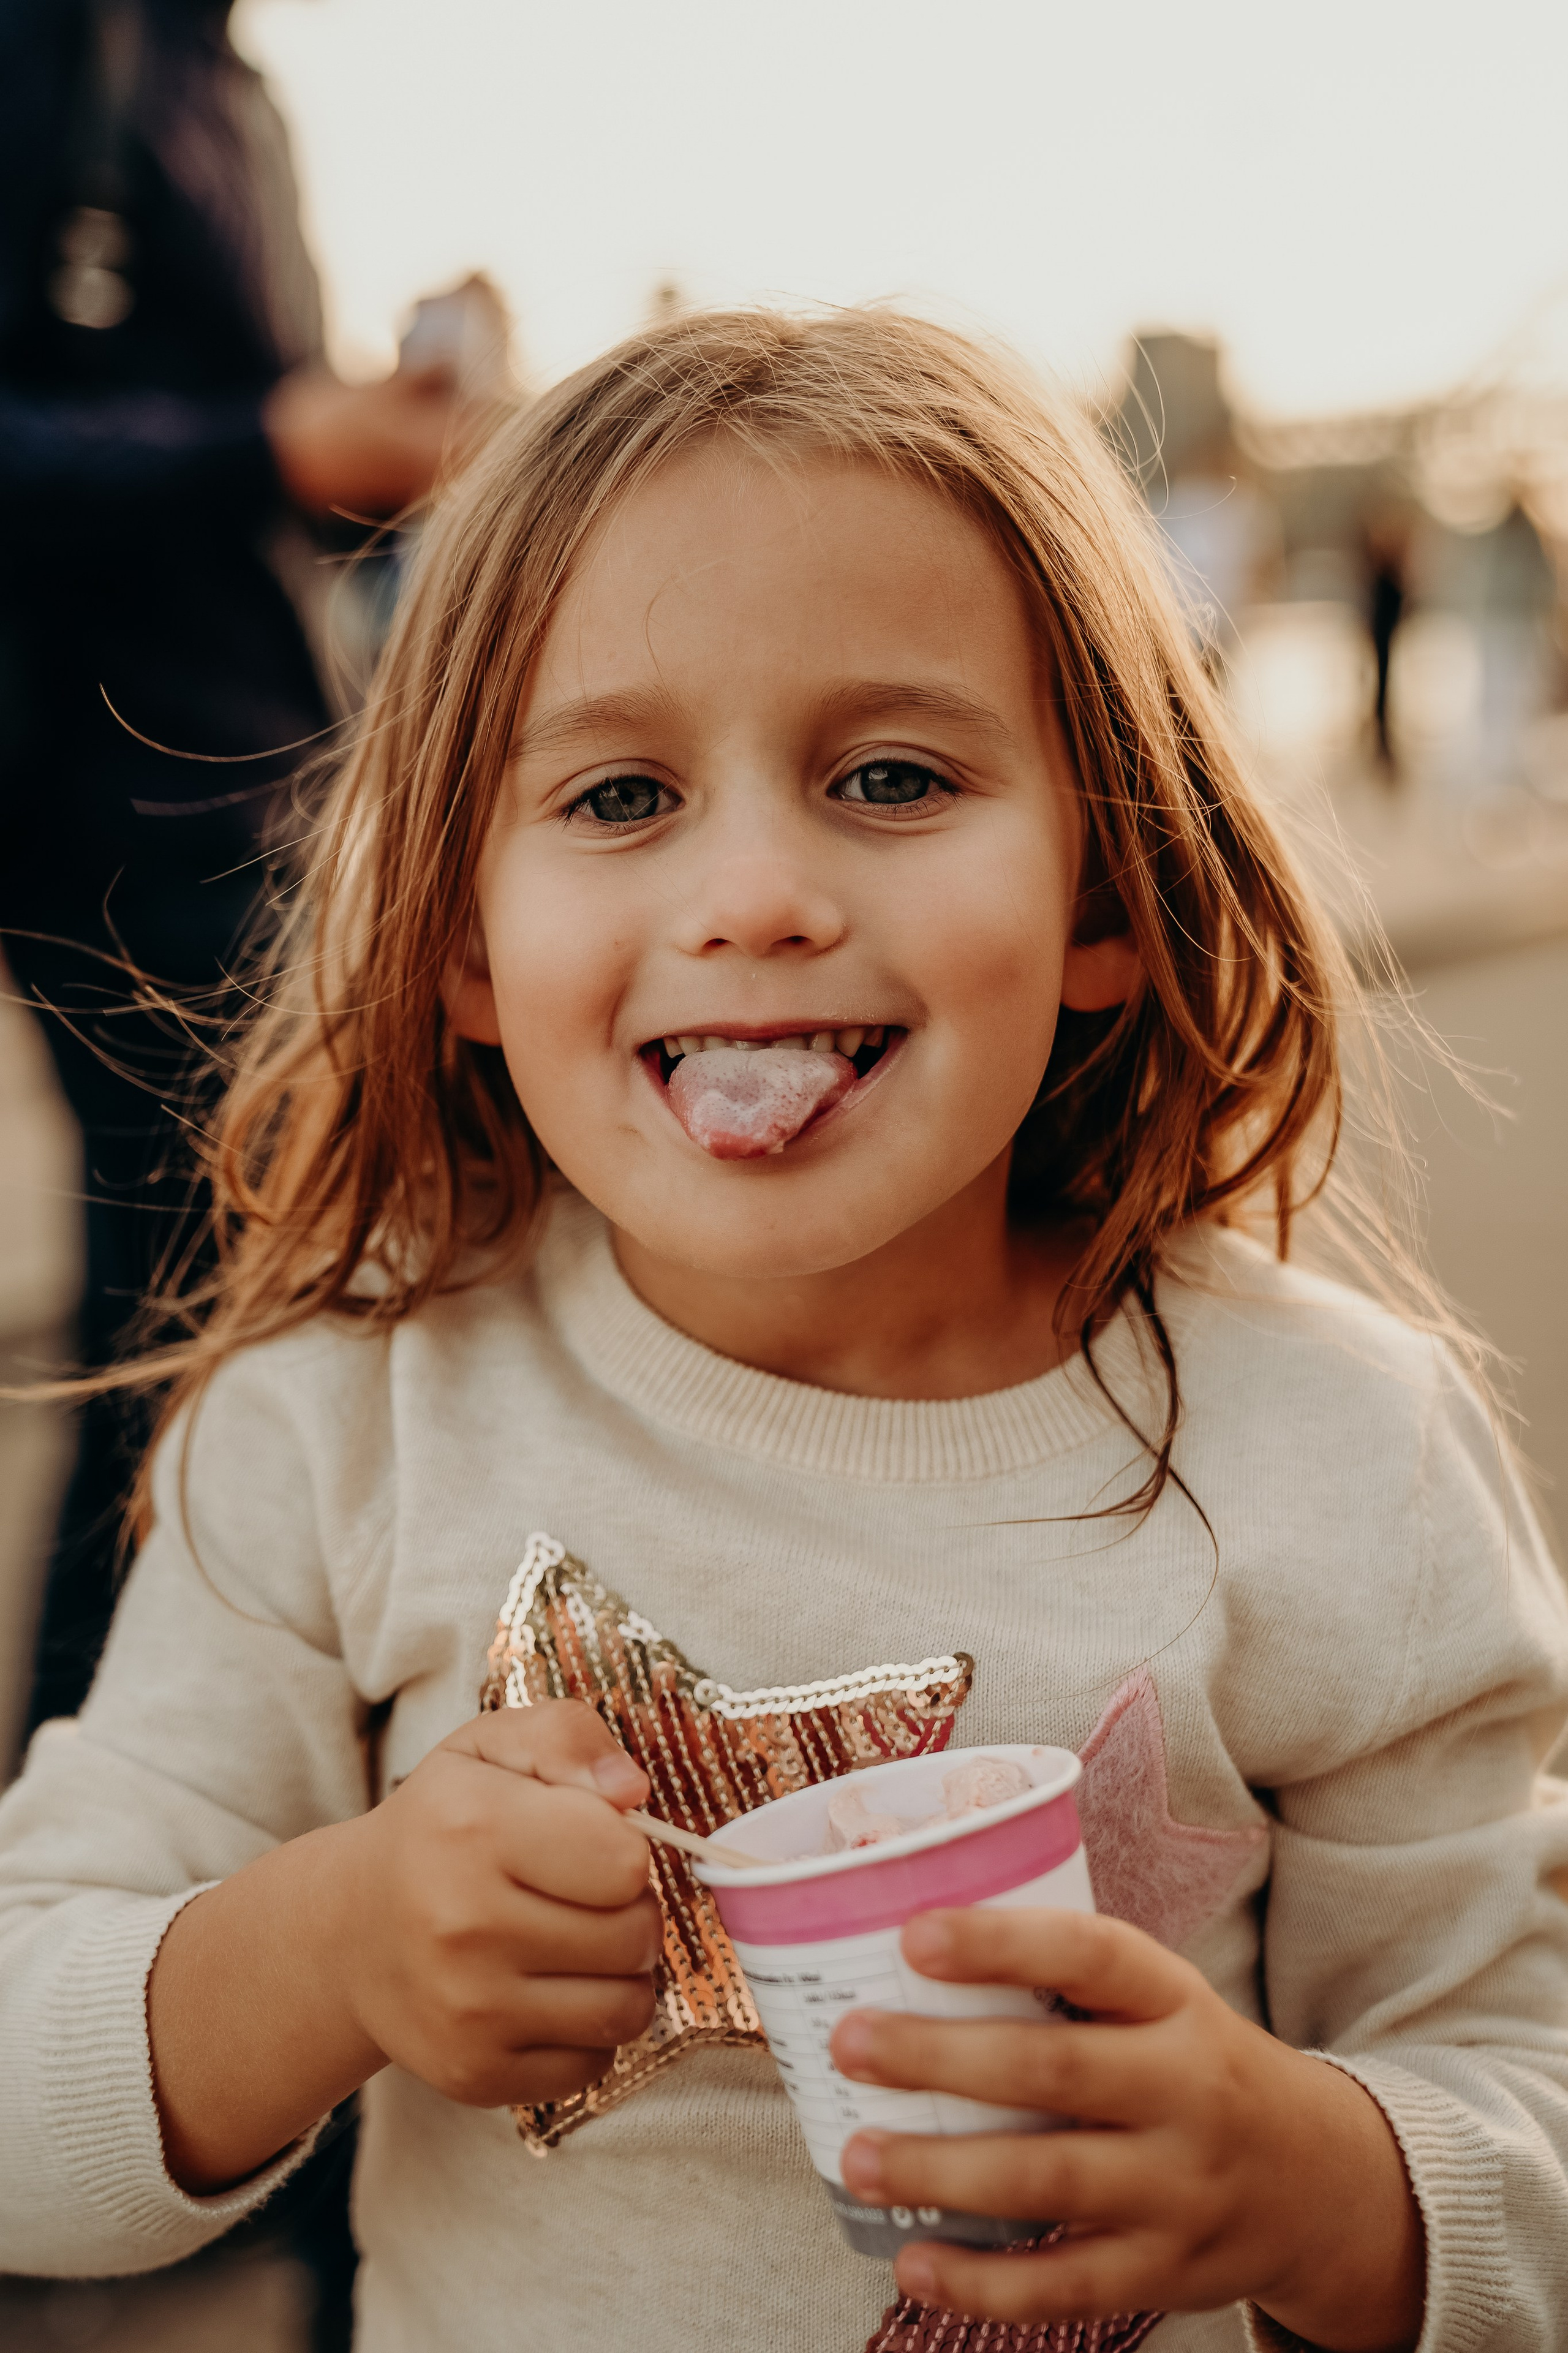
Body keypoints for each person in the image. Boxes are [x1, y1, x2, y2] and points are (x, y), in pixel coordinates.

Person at [0, 308, 1566, 2353]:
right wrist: (330, 1947)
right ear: (464, 941)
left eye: (892, 775)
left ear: (1107, 894)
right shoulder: (339, 1431)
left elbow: (1524, 2098)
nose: (754, 894)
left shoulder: (1338, 1449)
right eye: (625, 792)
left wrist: (1305, 2172)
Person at [0, 0, 456, 1732]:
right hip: (107, 801)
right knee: (192, 1321)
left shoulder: (223, 72)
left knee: (225, 1306)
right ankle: (99, 1814)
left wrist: (361, 449)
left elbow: (262, 450)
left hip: (245, 781)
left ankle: (130, 1788)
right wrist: (269, 445)